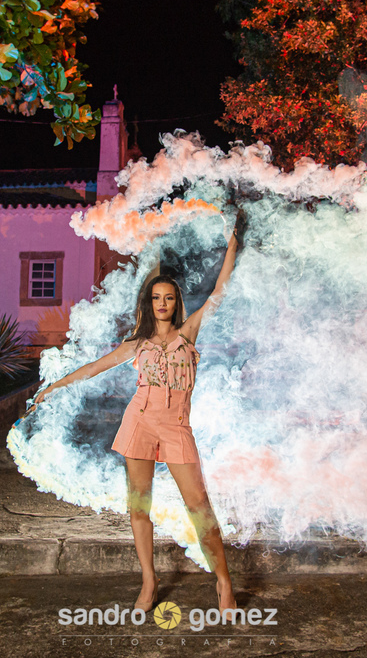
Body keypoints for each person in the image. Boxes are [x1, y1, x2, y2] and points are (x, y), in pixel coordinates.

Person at [25, 213, 244, 614]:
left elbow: (219, 292)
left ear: (176, 303)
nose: (163, 304)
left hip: (176, 427)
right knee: (138, 505)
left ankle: (224, 582)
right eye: (156, 298)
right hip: (139, 424)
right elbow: (93, 367)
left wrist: (232, 245)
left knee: (198, 505)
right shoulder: (137, 344)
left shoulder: (188, 333)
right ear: (149, 303)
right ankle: (149, 579)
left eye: (169, 298)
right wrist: (53, 388)